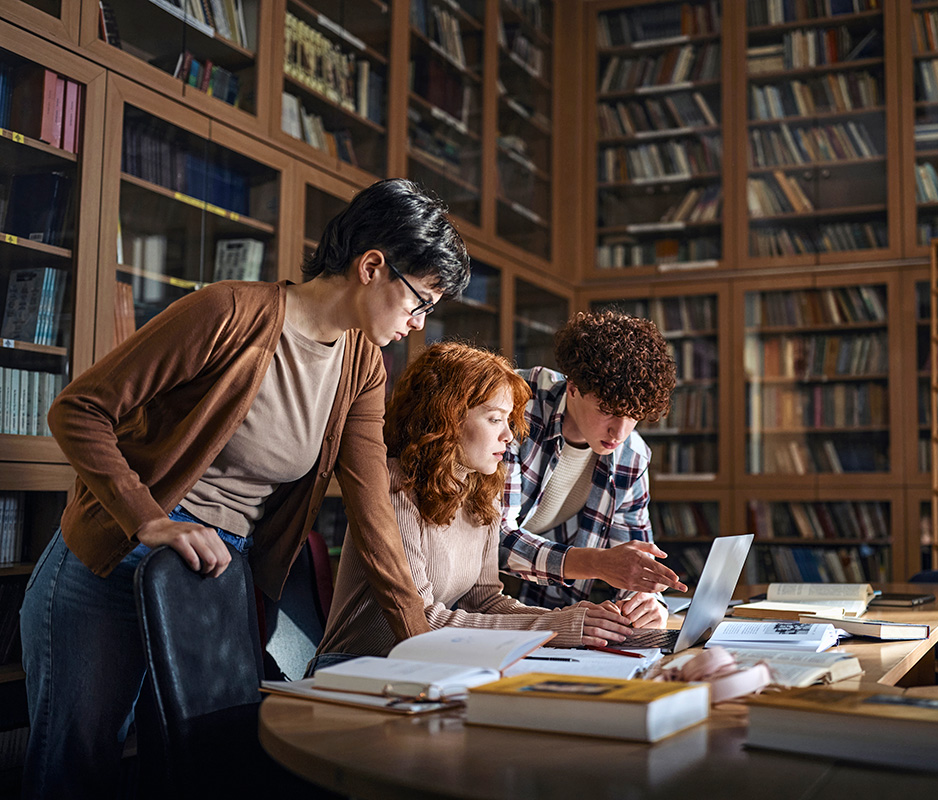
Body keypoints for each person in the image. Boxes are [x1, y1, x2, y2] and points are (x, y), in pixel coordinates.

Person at [19, 178, 469, 799]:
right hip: (118, 555)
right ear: (372, 266)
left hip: (213, 575)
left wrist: (421, 643)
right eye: (418, 303)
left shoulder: (363, 364)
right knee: (80, 762)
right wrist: (149, 519)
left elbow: (374, 516)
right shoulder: (228, 312)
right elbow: (79, 410)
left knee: (189, 765)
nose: (418, 325)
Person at [314, 342, 635, 666]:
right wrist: (558, 626)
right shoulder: (397, 487)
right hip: (351, 667)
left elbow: (484, 600)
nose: (509, 436)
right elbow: (425, 621)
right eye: (495, 419)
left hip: (424, 668)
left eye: (509, 420)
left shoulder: (481, 490)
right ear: (448, 418)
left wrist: (576, 620)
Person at [500, 309, 686, 628]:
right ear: (572, 387)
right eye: (607, 411)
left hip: (549, 613)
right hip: (470, 601)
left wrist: (648, 601)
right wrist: (597, 564)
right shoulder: (513, 405)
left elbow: (633, 551)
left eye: (634, 416)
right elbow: (490, 540)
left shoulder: (632, 454)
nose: (620, 432)